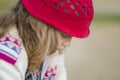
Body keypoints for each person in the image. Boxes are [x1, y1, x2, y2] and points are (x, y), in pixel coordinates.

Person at [0, 0, 94, 80]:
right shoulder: (8, 56)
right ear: (38, 24)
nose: (68, 43)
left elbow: (60, 75)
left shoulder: (51, 49)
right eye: (64, 34)